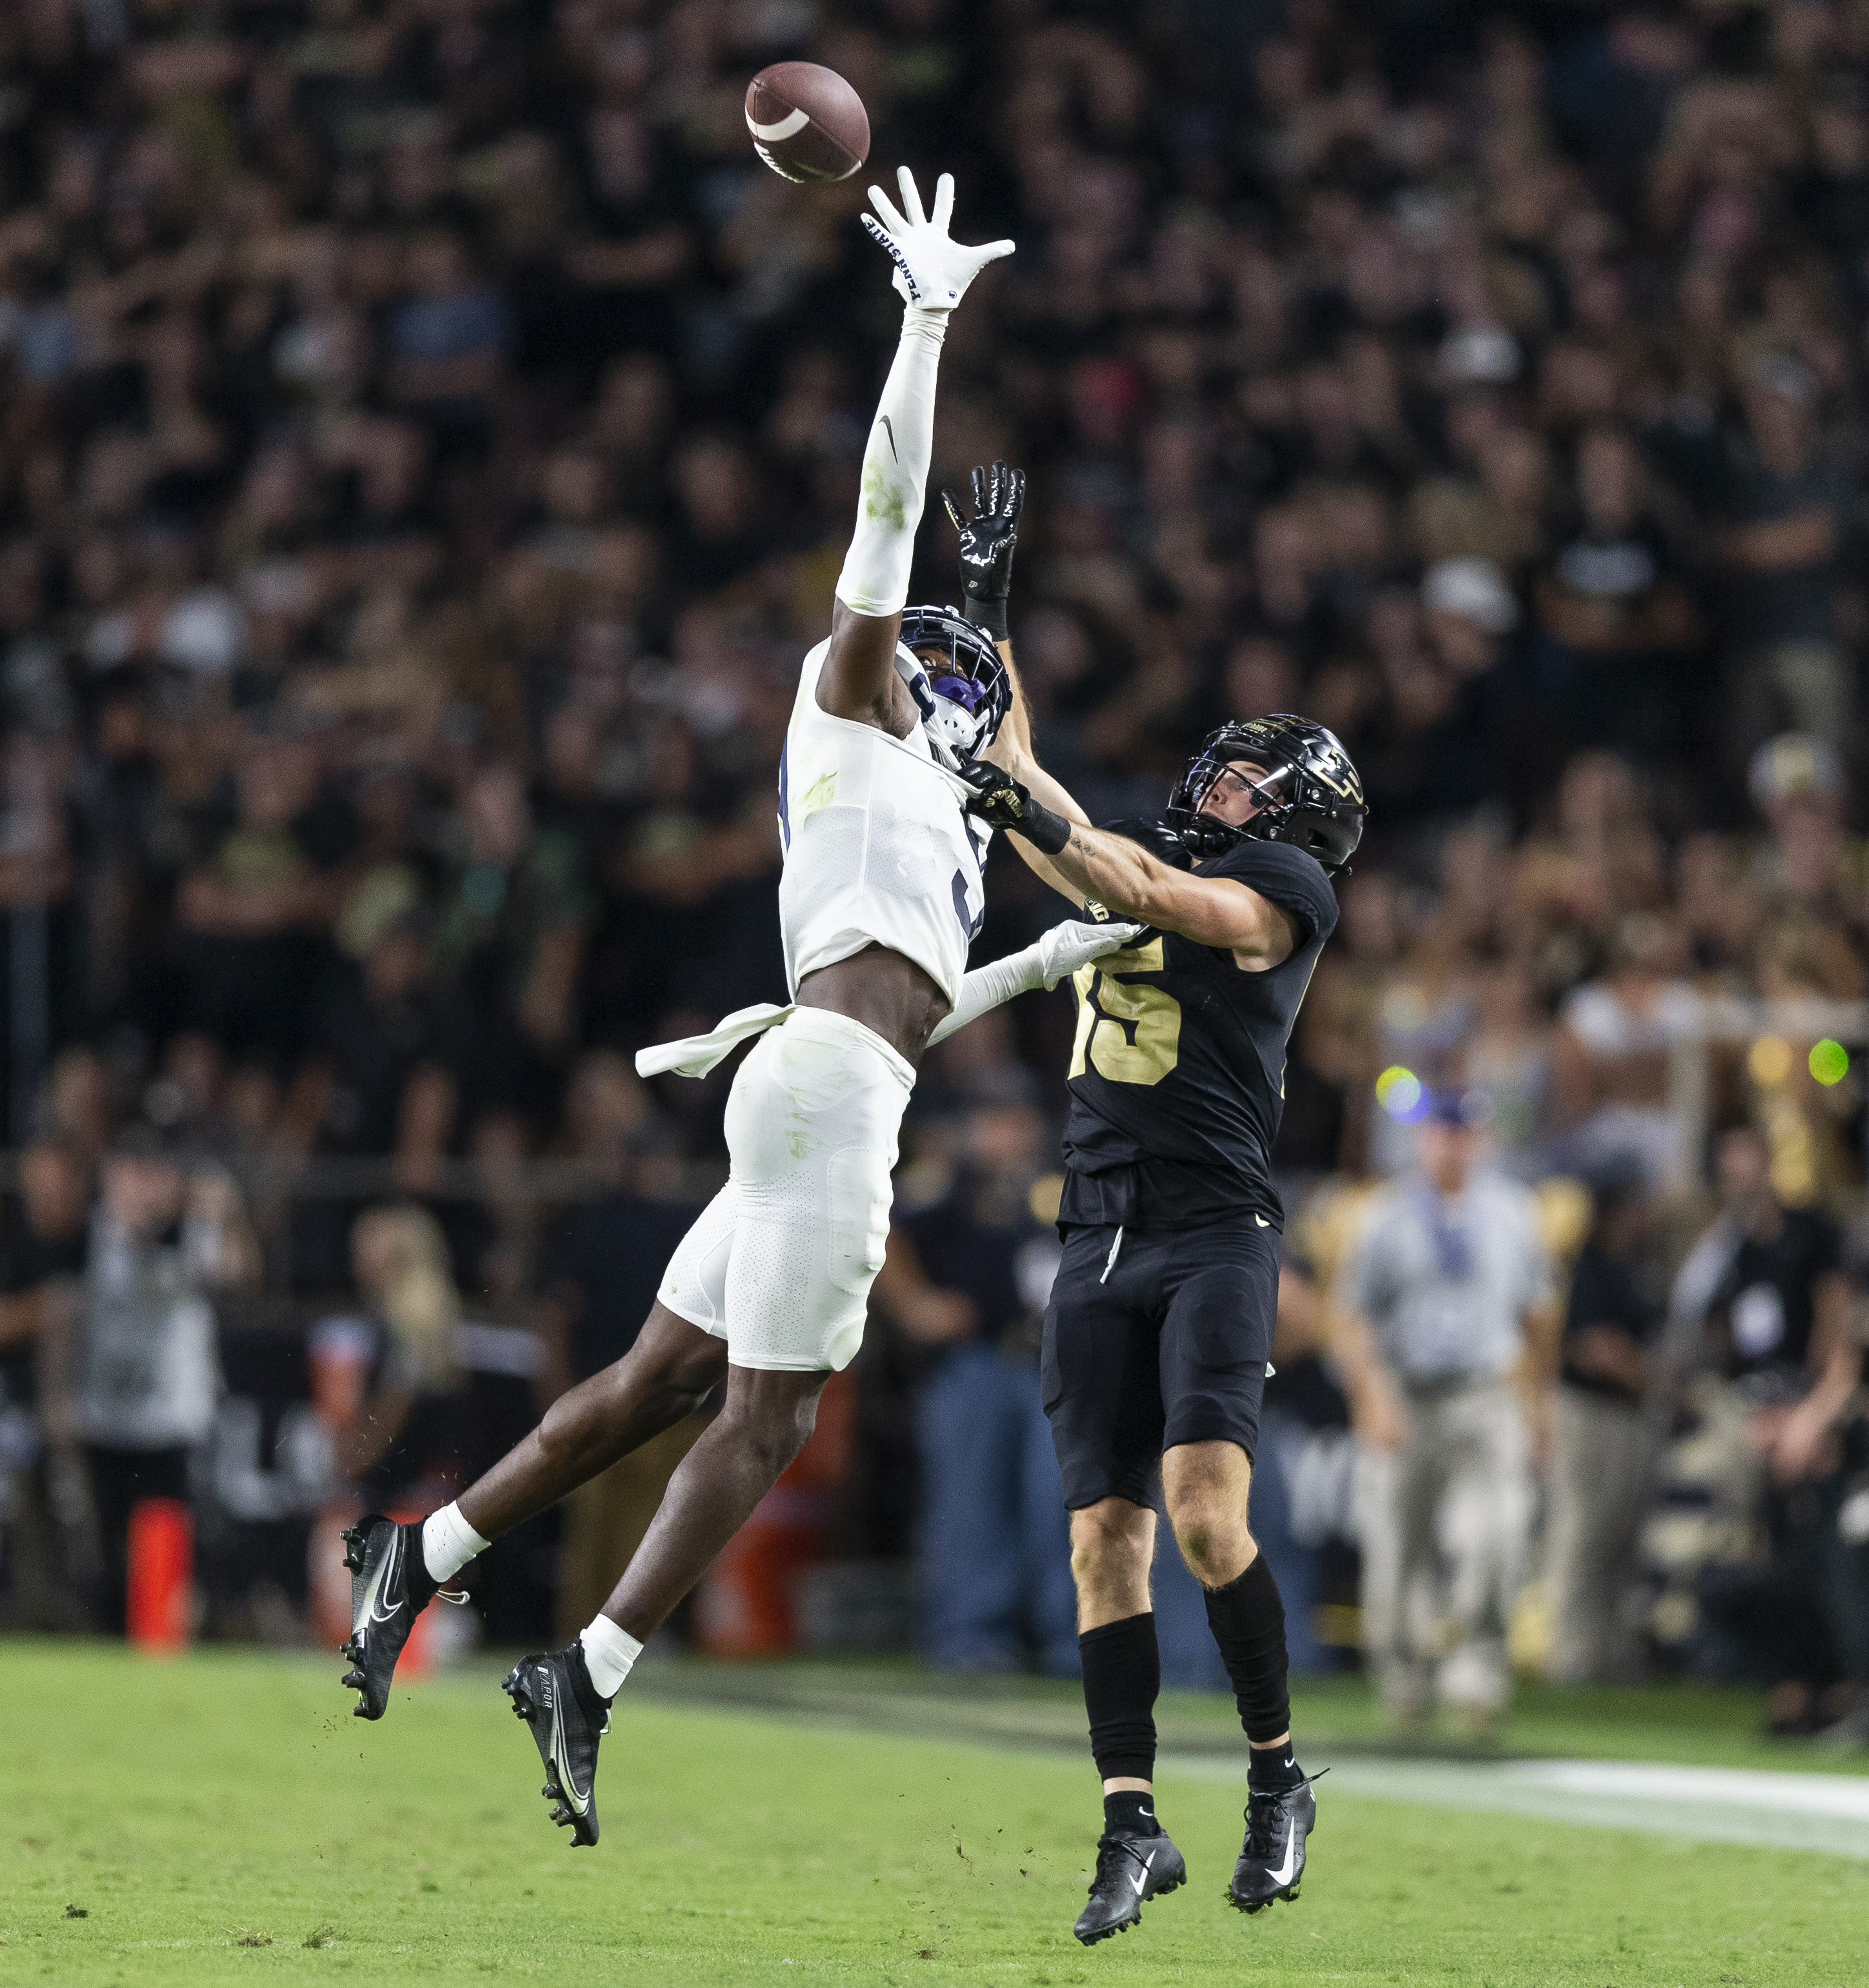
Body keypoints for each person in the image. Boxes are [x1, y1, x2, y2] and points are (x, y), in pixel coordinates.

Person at [334, 170, 1133, 1848]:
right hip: (826, 1082)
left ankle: (425, 1552)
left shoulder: (936, 811)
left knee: (652, 1384)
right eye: (940, 665)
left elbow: (928, 987)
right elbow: (889, 514)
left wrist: (1061, 957)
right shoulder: (841, 704)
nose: (951, 677)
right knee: (768, 1409)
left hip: (817, 1072)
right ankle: (591, 1669)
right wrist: (924, 323)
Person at [956, 715, 1366, 1937]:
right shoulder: (1144, 847)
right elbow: (1042, 800)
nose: (1213, 789)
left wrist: (1025, 809)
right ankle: (1130, 1820)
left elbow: (1138, 884)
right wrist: (992, 653)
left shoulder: (1284, 890)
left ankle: (1274, 1771)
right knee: (1101, 1544)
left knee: (1202, 1510)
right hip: (1095, 1234)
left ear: (1295, 818)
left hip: (1212, 1231)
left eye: (1244, 784)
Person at [1332, 1090, 1557, 1730]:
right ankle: (1403, 1677)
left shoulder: (1513, 1211)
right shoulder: (1382, 1214)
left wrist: (1537, 1405)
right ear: (1421, 1138)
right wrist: (1370, 1395)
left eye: (1463, 1133)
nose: (1451, 1145)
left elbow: (1537, 1316)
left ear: (1481, 1138)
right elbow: (1350, 1318)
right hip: (1406, 1389)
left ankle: (1476, 1671)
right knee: (1395, 1544)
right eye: (1440, 1132)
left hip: (1486, 1391)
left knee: (1498, 1532)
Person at [1545, 1162, 1664, 1684]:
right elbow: (1589, 1347)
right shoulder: (1586, 1267)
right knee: (1582, 1535)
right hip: (1588, 1412)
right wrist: (1647, 1375)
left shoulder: (1636, 1266)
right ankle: (1571, 1655)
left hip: (1629, 1416)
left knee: (1622, 1538)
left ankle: (1613, 1656)